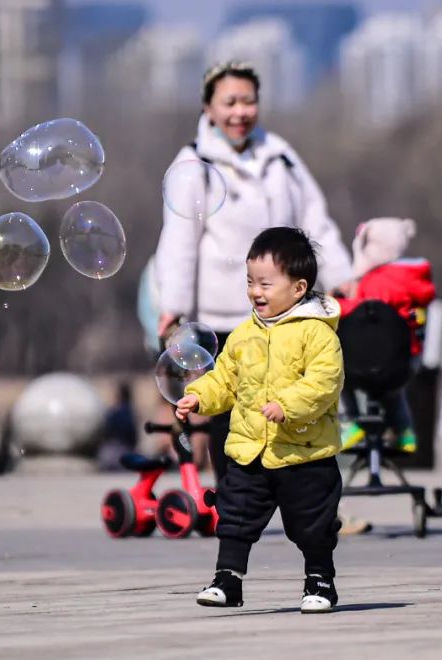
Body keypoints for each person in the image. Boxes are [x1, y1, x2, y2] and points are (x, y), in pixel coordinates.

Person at [151, 61, 351, 483]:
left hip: (289, 314)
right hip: (225, 316)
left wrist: (342, 276)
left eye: (249, 101)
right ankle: (235, 504)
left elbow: (315, 222)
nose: (240, 112)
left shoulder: (280, 156)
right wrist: (172, 306)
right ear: (208, 108)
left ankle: (311, 502)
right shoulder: (195, 163)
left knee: (302, 405)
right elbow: (179, 240)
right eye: (229, 102)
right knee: (231, 417)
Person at [176, 227, 344, 614]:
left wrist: (287, 405)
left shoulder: (317, 335)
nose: (255, 291)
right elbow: (225, 379)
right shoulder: (243, 335)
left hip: (303, 452)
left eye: (266, 283)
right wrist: (200, 397)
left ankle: (320, 578)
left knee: (311, 524)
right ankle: (228, 579)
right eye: (250, 281)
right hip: (250, 448)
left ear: (298, 288)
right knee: (234, 514)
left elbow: (323, 384)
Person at [336, 217, 436, 453]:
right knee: (392, 389)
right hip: (404, 363)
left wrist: (333, 302)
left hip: (363, 363)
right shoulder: (410, 279)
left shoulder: (374, 282)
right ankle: (404, 432)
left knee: (336, 374)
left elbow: (361, 309)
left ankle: (351, 422)